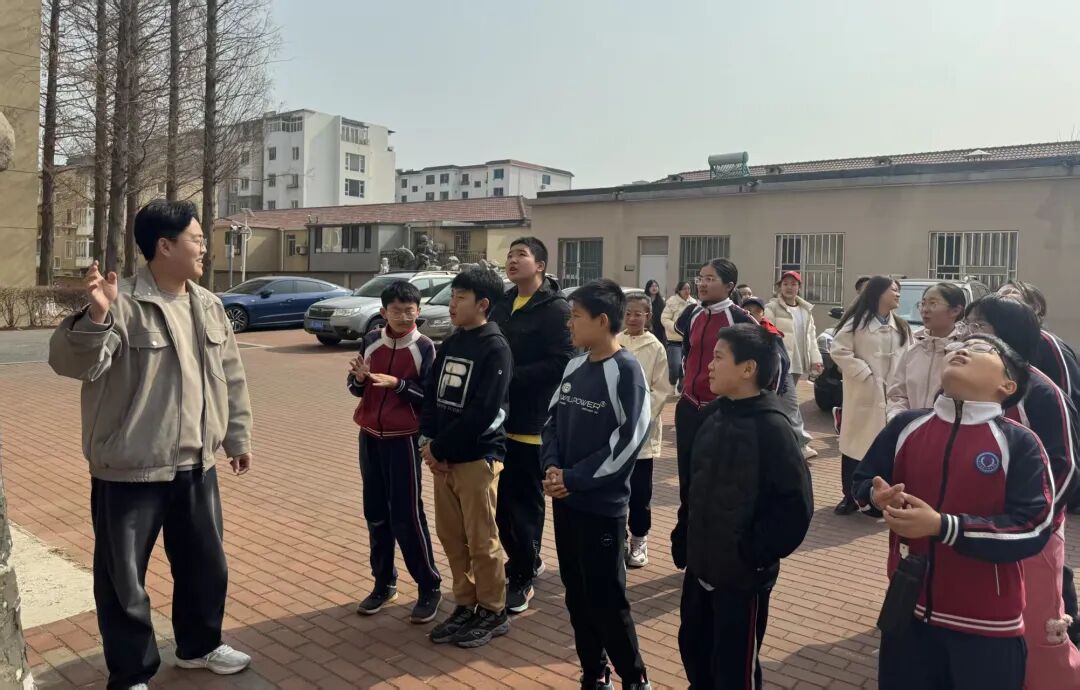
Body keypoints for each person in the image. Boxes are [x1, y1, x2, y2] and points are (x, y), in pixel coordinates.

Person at [48, 200, 254, 689]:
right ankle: (131, 673)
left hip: (196, 465)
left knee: (206, 566)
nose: (203, 249)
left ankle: (199, 647)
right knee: (123, 580)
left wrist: (236, 436)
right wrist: (97, 317)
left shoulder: (209, 305)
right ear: (164, 246)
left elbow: (231, 376)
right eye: (196, 240)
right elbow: (70, 363)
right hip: (131, 468)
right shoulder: (118, 302)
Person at [853, 334, 1054, 690]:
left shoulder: (1020, 442)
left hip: (987, 624)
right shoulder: (906, 427)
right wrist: (875, 496)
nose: (960, 350)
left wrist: (943, 526)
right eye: (958, 346)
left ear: (1007, 385)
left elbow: (1034, 526)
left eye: (980, 349)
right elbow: (863, 481)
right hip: (907, 609)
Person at [674, 323, 813, 689]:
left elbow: (794, 508)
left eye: (719, 358)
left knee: (734, 670)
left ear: (748, 368)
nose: (709, 366)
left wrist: (752, 553)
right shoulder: (712, 415)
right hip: (700, 567)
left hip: (741, 579)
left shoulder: (772, 428)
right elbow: (694, 484)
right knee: (694, 651)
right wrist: (683, 532)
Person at [963, 296, 1080, 688]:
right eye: (967, 325)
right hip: (975, 531)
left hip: (1032, 537)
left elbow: (1066, 467)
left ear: (1008, 335)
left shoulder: (1042, 393)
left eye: (979, 327)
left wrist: (1034, 525)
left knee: (1037, 625)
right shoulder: (960, 390)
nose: (967, 335)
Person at [542, 279, 652, 690]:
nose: (569, 324)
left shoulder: (626, 370)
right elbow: (551, 423)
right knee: (576, 594)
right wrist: (552, 467)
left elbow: (629, 440)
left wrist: (574, 478)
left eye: (576, 316)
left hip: (601, 508)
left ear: (602, 321)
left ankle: (635, 679)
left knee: (607, 599)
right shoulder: (575, 365)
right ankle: (594, 672)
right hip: (566, 501)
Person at [419, 267, 513, 649]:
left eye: (460, 297)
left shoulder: (495, 347)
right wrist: (428, 441)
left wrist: (439, 449)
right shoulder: (452, 342)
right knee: (452, 536)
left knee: (481, 539)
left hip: (477, 458)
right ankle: (466, 602)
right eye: (453, 296)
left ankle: (493, 609)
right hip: (443, 458)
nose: (452, 304)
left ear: (483, 304)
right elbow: (431, 394)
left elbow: (484, 411)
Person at [347, 280, 442, 622]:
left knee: (407, 514)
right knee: (375, 512)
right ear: (383, 312)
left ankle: (429, 585)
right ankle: (384, 582)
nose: (403, 317)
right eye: (396, 311)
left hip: (404, 439)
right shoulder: (372, 340)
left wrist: (398, 385)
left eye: (409, 311)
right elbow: (355, 388)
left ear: (418, 311)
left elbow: (430, 398)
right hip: (370, 435)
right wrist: (360, 380)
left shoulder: (426, 347)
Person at [489, 237, 573, 614]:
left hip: (531, 420)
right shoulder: (503, 303)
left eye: (520, 255)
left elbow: (562, 361)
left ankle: (523, 575)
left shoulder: (555, 309)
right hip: (498, 418)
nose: (512, 260)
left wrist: (510, 376)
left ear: (540, 265)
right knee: (500, 504)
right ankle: (526, 558)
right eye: (509, 255)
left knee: (523, 502)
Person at [672, 259, 757, 507]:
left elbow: (771, 362)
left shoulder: (740, 319)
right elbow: (688, 352)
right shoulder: (693, 313)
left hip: (722, 410)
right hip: (688, 406)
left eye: (710, 279)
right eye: (700, 278)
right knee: (687, 476)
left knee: (718, 478)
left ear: (729, 286)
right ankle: (686, 523)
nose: (702, 284)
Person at [830, 276, 912, 515]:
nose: (898, 294)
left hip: (892, 396)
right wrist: (864, 373)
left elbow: (909, 356)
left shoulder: (902, 326)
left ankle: (881, 498)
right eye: (893, 290)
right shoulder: (856, 323)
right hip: (863, 396)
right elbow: (839, 350)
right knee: (854, 448)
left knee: (886, 449)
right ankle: (850, 496)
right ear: (879, 293)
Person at [616, 294, 671, 568]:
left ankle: (640, 538)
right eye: (628, 313)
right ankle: (619, 539)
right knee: (616, 488)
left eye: (638, 314)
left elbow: (661, 388)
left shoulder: (656, 347)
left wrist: (641, 414)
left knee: (640, 492)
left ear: (648, 316)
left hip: (642, 431)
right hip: (614, 428)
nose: (633, 318)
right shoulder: (616, 341)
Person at [886, 283, 966, 419]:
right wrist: (897, 418)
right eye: (923, 304)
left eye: (933, 303)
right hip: (913, 428)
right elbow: (898, 395)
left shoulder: (965, 353)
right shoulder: (913, 350)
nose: (925, 310)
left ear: (955, 311)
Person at [998, 280, 1080, 412]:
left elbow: (1070, 396)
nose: (1003, 298)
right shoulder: (999, 343)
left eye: (1011, 292)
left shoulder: (1048, 343)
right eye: (999, 295)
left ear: (1035, 308)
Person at [765, 271, 822, 459]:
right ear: (779, 287)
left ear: (799, 287)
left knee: (779, 404)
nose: (789, 287)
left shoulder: (806, 310)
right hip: (781, 365)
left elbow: (811, 337)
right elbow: (766, 333)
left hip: (797, 364)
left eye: (793, 284)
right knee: (791, 405)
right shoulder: (772, 308)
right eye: (785, 284)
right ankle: (800, 444)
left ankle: (774, 441)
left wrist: (816, 360)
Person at [660, 281, 695, 390]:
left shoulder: (694, 303)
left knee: (687, 366)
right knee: (675, 365)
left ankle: (682, 385)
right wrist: (676, 328)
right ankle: (672, 383)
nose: (687, 291)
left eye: (689, 288)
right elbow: (664, 319)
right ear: (679, 290)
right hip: (674, 340)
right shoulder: (672, 302)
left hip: (688, 340)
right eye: (684, 289)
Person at [642, 279, 667, 344]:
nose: (654, 288)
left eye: (656, 286)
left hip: (659, 329)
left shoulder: (661, 302)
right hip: (646, 328)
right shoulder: (644, 300)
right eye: (652, 286)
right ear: (648, 288)